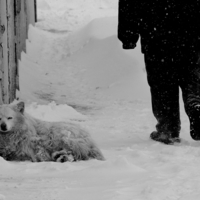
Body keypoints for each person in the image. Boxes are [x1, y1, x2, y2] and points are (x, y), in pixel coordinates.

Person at [118, 1, 200, 144]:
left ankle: (167, 129)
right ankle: (196, 104)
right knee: (192, 77)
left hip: (156, 33)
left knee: (163, 83)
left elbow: (129, 4)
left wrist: (128, 35)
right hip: (192, 30)